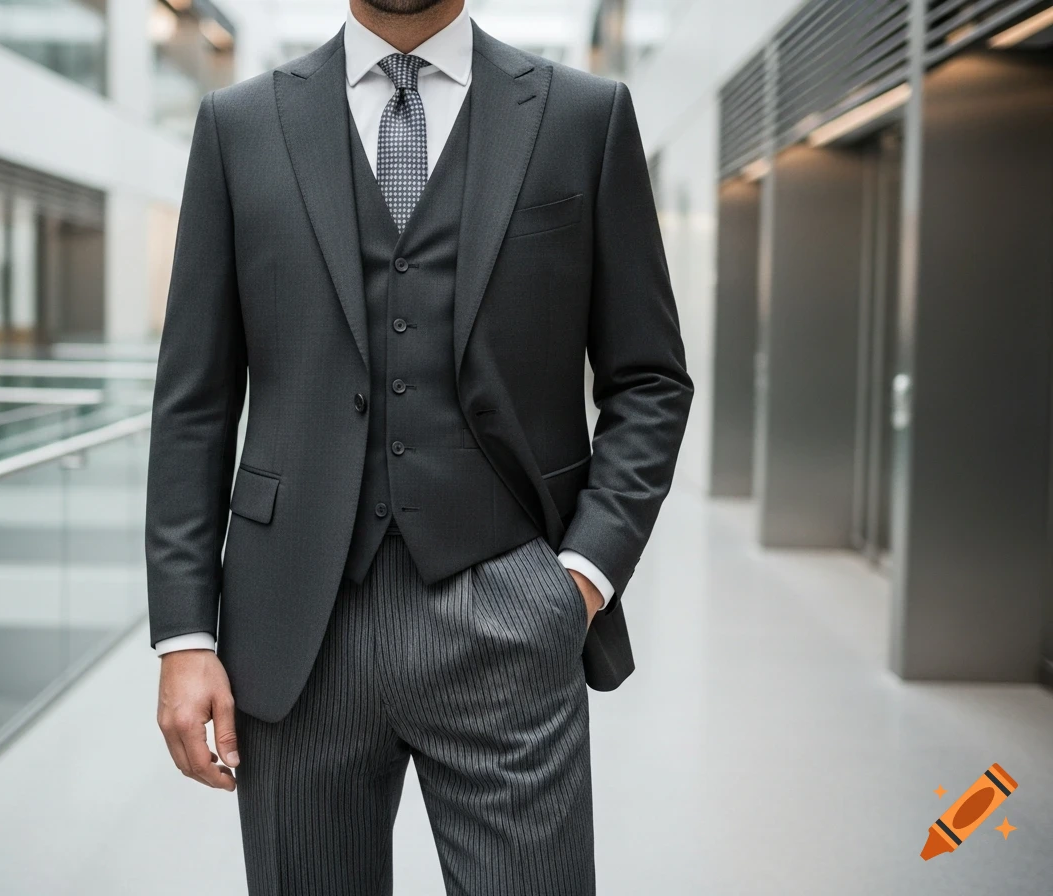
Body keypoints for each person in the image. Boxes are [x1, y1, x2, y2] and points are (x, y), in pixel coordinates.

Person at [145, 0, 691, 892]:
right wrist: (182, 633)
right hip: (293, 626)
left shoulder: (583, 117)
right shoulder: (238, 127)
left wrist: (583, 580)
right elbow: (193, 404)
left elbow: (650, 379)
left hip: (511, 608)